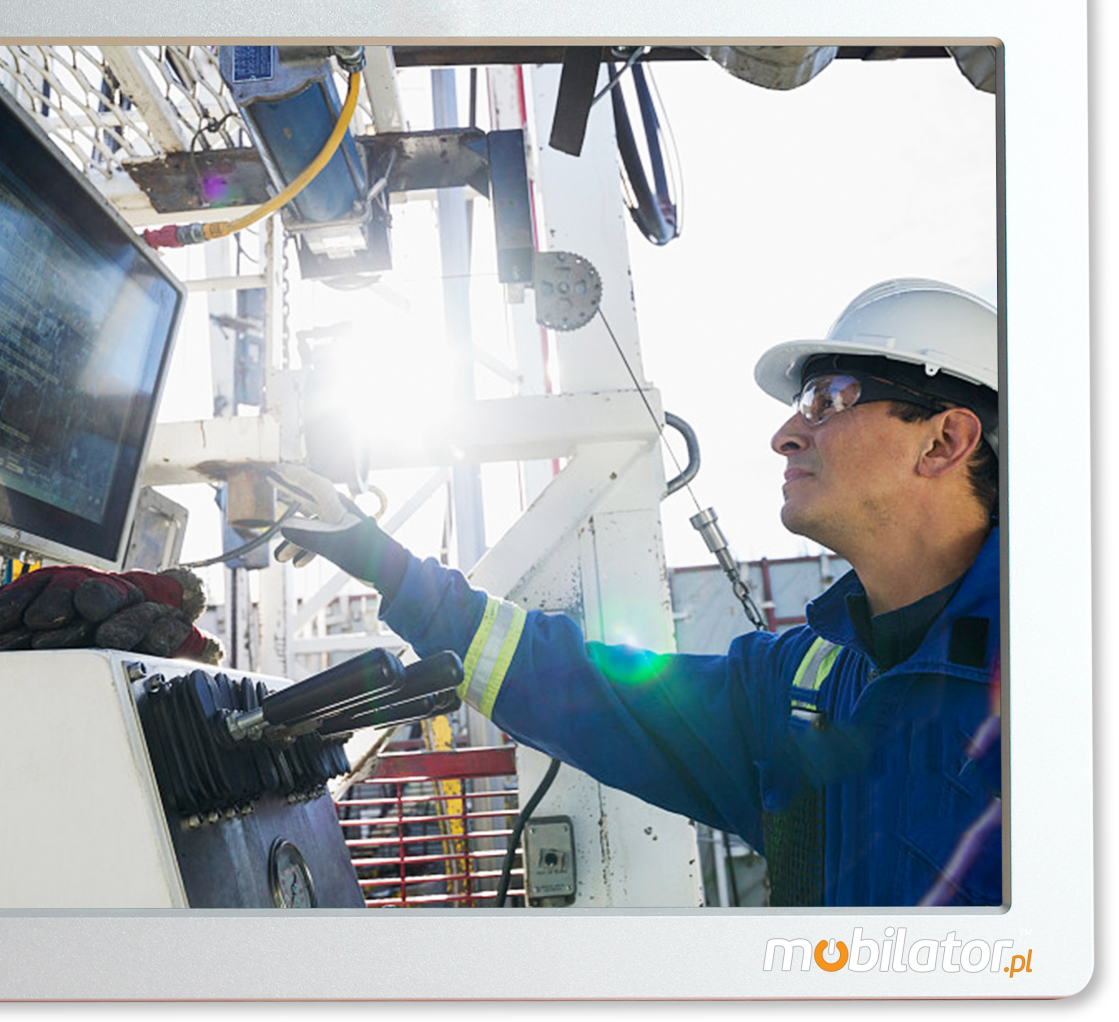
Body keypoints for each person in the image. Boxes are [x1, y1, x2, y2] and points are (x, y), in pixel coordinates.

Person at [274, 278, 1001, 907]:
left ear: (943, 441)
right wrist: (379, 559)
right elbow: (579, 689)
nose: (785, 434)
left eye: (826, 400)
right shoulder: (800, 687)